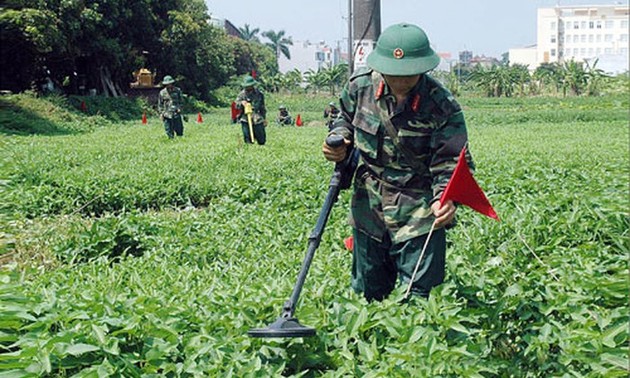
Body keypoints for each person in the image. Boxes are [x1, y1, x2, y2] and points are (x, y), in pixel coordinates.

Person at [322, 23, 473, 301]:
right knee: (367, 292)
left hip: (419, 207)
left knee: (420, 296)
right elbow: (342, 117)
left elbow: (452, 162)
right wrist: (339, 138)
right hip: (369, 203)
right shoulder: (360, 86)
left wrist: (445, 199)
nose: (401, 82)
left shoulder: (442, 105)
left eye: (409, 75)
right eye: (394, 74)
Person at [235, 75, 267, 144]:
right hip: (245, 118)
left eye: (250, 86)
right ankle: (249, 150)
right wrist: (241, 103)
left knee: (261, 139)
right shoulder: (242, 94)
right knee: (247, 138)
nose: (248, 87)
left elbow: (262, 107)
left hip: (257, 118)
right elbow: (236, 105)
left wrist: (264, 119)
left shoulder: (259, 94)